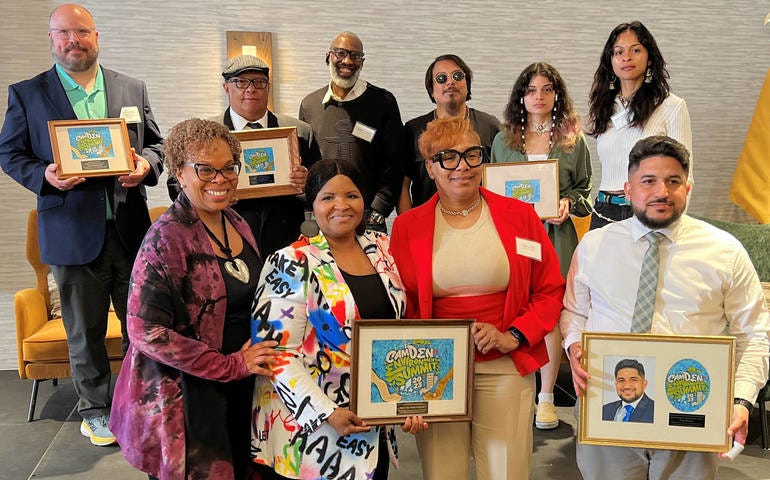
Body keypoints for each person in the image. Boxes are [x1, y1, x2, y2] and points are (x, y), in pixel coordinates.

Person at [0, 3, 163, 446]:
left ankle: (142, 403)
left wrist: (146, 165)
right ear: (52, 39)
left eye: (82, 32)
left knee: (141, 325)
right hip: (70, 234)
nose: (74, 40)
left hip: (131, 231)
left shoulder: (131, 87)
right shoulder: (27, 94)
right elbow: (10, 155)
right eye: (63, 33)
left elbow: (158, 146)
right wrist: (45, 177)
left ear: (96, 36)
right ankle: (95, 410)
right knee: (84, 330)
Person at [561, 135, 770, 479]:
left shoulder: (725, 252)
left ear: (687, 188)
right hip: (607, 409)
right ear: (628, 190)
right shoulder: (594, 246)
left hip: (691, 407)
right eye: (649, 181)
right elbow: (574, 312)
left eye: (673, 181)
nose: (661, 191)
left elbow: (755, 332)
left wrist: (742, 399)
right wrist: (573, 345)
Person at [390, 117, 565, 480]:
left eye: (472, 155)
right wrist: (405, 389)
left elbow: (549, 288)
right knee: (443, 473)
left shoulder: (519, 216)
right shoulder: (408, 227)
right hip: (435, 374)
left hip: (505, 364)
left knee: (505, 471)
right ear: (431, 167)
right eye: (448, 158)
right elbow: (400, 308)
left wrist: (513, 335)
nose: (463, 167)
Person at [110, 119, 279, 480]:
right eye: (205, 169)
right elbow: (145, 332)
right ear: (178, 173)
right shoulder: (166, 238)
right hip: (189, 398)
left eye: (229, 168)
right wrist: (229, 365)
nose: (220, 179)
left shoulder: (236, 221)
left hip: (242, 385)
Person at [250, 159, 426, 480]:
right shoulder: (289, 263)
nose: (340, 206)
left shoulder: (386, 249)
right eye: (328, 197)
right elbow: (275, 354)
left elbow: (402, 332)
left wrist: (410, 400)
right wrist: (327, 412)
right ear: (312, 204)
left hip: (372, 427)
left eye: (352, 195)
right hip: (311, 436)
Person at [491, 62, 592, 430]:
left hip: (555, 238)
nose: (539, 96)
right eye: (531, 89)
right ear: (521, 95)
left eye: (547, 89)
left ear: (556, 95)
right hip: (513, 240)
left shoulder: (571, 139)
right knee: (516, 309)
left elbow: (584, 191)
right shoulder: (504, 139)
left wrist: (568, 204)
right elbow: (491, 191)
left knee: (549, 314)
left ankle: (546, 398)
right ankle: (516, 392)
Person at [167, 54, 318, 257]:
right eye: (241, 82)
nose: (251, 88)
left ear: (268, 87)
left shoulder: (299, 131)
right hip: (224, 238)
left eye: (259, 82)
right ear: (226, 88)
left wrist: (307, 183)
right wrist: (209, 197)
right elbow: (176, 184)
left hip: (286, 241)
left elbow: (321, 188)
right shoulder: (205, 134)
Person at [586, 21, 692, 229]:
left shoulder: (671, 106)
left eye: (636, 50)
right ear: (611, 61)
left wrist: (674, 225)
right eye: (618, 52)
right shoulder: (604, 106)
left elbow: (686, 173)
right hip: (603, 211)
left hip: (648, 210)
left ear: (650, 58)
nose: (626, 57)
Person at [299, 31, 404, 232]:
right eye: (340, 53)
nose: (347, 61)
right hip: (323, 215)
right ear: (328, 57)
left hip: (368, 215)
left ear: (362, 63)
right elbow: (305, 163)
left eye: (355, 56)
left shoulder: (383, 102)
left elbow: (395, 162)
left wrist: (378, 208)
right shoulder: (310, 105)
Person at [398, 54, 501, 212]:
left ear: (467, 84)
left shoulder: (489, 126)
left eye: (457, 76)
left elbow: (505, 177)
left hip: (482, 219)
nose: (450, 82)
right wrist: (409, 226)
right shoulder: (413, 130)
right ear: (431, 90)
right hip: (428, 223)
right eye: (441, 78)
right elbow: (402, 185)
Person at [602, 359, 654, 423]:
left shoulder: (655, 411)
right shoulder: (604, 410)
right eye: (621, 380)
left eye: (633, 380)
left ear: (644, 384)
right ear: (616, 384)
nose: (627, 386)